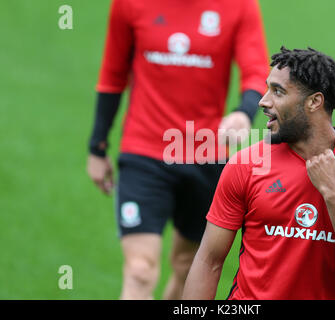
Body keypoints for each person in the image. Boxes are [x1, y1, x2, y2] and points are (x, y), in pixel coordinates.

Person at [86, 0, 269, 299]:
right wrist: (97, 147)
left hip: (207, 155)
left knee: (188, 268)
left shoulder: (240, 5)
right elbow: (112, 75)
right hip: (144, 151)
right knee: (139, 270)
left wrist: (244, 112)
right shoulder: (129, 4)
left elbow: (255, 70)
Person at [183, 47, 335, 300]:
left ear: (314, 102)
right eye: (267, 89)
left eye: (278, 92)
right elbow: (209, 260)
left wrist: (333, 192)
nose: (263, 101)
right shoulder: (247, 164)